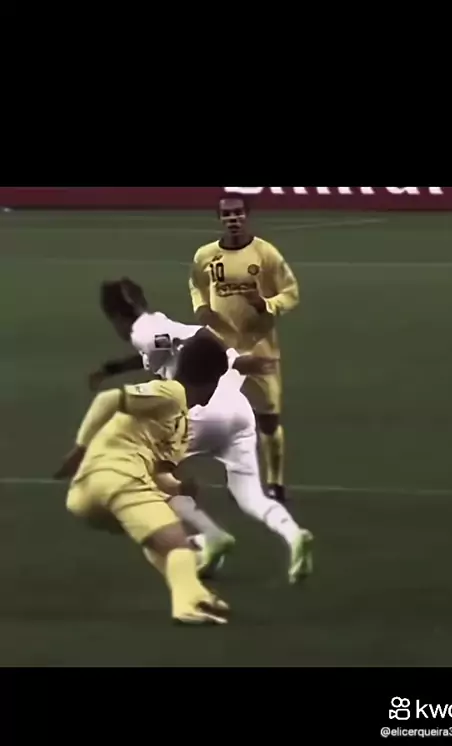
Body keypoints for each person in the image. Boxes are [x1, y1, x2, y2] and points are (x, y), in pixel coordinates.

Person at [89, 279, 313, 585]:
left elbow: (185, 341)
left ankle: (213, 536)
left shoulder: (142, 329)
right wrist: (112, 368)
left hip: (199, 409)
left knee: (152, 477)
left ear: (116, 317)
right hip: (237, 410)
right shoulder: (161, 325)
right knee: (250, 495)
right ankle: (294, 534)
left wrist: (175, 382)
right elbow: (185, 343)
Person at [55, 333, 231, 626]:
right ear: (211, 381)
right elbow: (108, 399)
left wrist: (179, 487)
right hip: (116, 477)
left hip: (90, 494)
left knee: (161, 540)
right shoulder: (171, 392)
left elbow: (159, 475)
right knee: (176, 542)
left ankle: (196, 594)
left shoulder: (181, 424)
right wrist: (80, 449)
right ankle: (186, 605)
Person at [188, 194, 300, 505]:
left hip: (260, 351)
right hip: (220, 352)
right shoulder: (205, 255)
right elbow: (196, 284)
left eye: (238, 213)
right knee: (210, 416)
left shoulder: (265, 253)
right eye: (227, 214)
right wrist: (201, 307)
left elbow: (291, 293)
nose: (233, 219)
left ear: (247, 215)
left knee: (269, 420)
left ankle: (275, 483)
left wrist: (265, 304)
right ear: (220, 218)